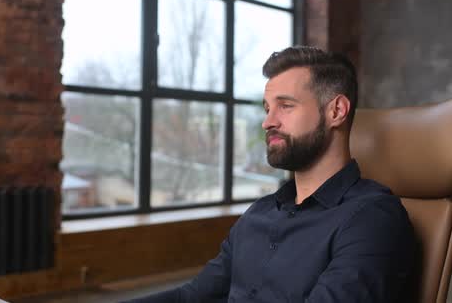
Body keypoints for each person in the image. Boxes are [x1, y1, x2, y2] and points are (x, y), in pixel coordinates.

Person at [124, 46, 415, 302]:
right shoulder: (259, 213)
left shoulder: (371, 218)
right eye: (267, 108)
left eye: (286, 106)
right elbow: (193, 297)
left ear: (336, 110)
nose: (267, 122)